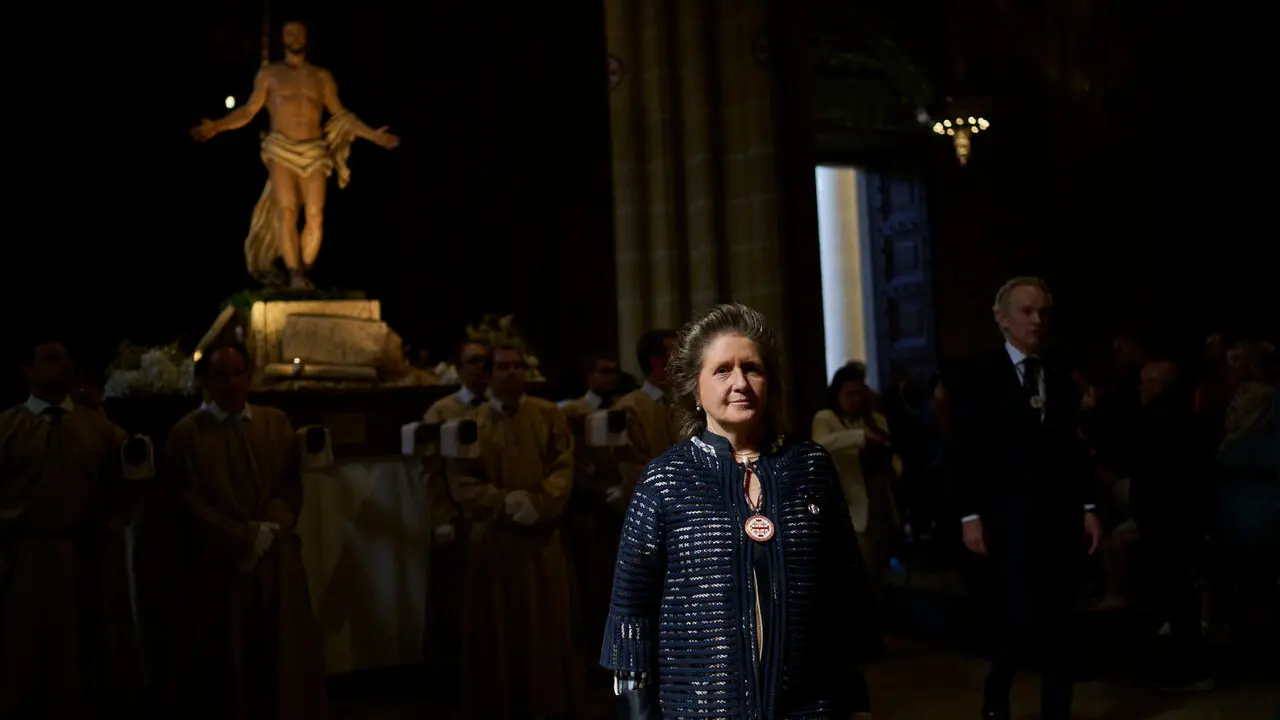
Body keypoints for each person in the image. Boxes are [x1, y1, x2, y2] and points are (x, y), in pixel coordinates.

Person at [602, 304, 876, 719]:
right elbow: (631, 607)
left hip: (810, 704)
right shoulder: (665, 480)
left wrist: (856, 703)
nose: (740, 383)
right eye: (722, 371)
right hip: (700, 706)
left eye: (752, 368)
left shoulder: (809, 465)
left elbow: (845, 588)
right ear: (695, 389)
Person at [948, 277, 1101, 720]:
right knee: (1016, 617)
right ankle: (997, 695)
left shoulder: (1057, 369)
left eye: (1043, 312)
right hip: (1005, 518)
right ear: (1002, 318)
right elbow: (964, 450)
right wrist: (969, 515)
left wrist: (1089, 507)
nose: (1037, 321)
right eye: (1027, 311)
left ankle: (1058, 709)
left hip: (1059, 515)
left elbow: (1074, 446)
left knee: (1060, 618)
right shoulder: (977, 374)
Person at [190, 19, 400, 288]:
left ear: (306, 38)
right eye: (289, 33)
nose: (295, 37)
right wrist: (217, 126)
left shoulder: (321, 76)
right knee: (286, 211)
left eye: (299, 32)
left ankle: (305, 271)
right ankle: (295, 274)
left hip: (314, 150)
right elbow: (248, 110)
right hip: (281, 149)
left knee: (315, 215)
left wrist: (373, 135)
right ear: (283, 39)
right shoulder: (270, 73)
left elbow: (341, 116)